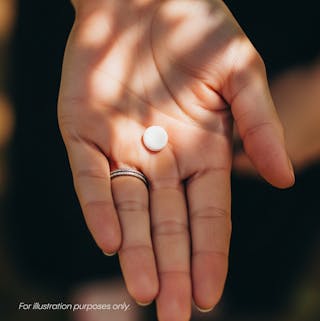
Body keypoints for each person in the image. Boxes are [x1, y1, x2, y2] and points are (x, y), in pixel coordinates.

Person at [57, 1, 294, 321]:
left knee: (238, 232)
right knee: (105, 212)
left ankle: (216, 297)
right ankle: (99, 282)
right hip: (96, 57)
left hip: (284, 32)